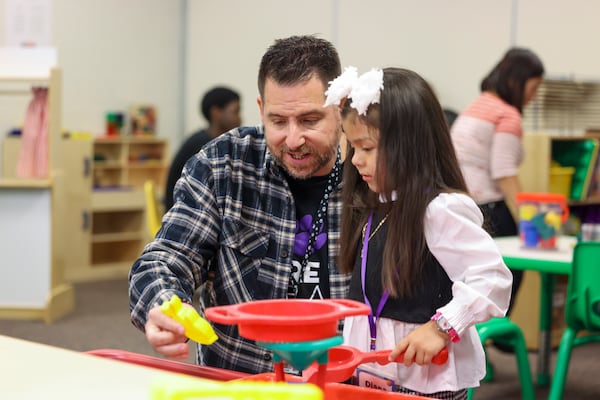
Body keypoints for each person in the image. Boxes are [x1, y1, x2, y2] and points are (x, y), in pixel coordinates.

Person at [129, 35, 350, 375]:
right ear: (261, 110)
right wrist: (163, 304)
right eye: (278, 121)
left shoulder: (372, 173)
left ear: (341, 105)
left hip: (342, 382)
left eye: (310, 120)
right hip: (243, 379)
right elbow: (164, 260)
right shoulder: (223, 164)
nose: (293, 140)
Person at [327, 67, 512, 399]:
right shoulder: (376, 205)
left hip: (425, 379)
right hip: (373, 371)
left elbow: (492, 278)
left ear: (408, 147)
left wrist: (441, 329)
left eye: (367, 148)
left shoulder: (440, 209)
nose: (355, 160)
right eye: (352, 147)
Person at [450, 48, 544, 315]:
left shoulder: (477, 105)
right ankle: (498, 330)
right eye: (534, 87)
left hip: (463, 206)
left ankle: (485, 339)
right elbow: (504, 174)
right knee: (509, 273)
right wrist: (530, 224)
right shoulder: (507, 115)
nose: (534, 96)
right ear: (517, 80)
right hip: (489, 212)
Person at [164, 86, 242, 211]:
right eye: (235, 112)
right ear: (216, 112)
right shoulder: (203, 146)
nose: (240, 118)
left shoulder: (209, 140)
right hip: (183, 213)